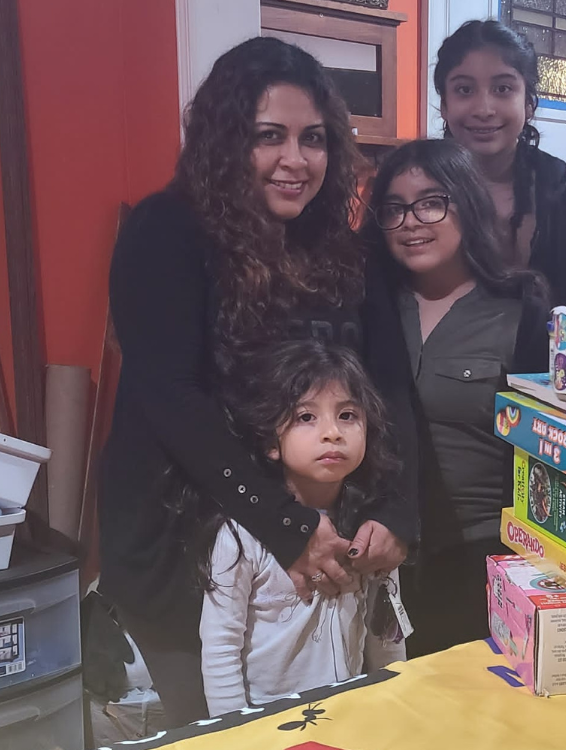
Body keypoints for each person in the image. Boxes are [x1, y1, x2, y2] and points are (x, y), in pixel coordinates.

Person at [99, 37, 417, 726]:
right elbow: (168, 396)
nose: (295, 160)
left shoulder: (342, 250)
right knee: (222, 729)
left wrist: (399, 511)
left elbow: (388, 389)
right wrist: (283, 522)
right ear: (225, 141)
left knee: (326, 723)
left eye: (313, 138)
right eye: (268, 136)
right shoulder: (167, 231)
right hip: (184, 546)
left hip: (318, 542)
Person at [359, 139, 548, 656]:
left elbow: (547, 443)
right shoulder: (364, 306)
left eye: (431, 203)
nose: (411, 222)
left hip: (483, 556)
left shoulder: (520, 310)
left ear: (467, 203)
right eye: (394, 209)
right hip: (375, 553)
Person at [192, 340, 405, 716]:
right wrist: (237, 733)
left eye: (348, 415)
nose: (332, 432)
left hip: (352, 715)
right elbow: (220, 646)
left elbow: (385, 629)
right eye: (306, 417)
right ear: (270, 442)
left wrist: (395, 704)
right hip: (270, 724)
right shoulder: (241, 536)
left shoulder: (371, 528)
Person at [434, 20, 566, 309]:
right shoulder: (411, 202)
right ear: (445, 105)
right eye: (465, 90)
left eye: (503, 88)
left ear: (529, 104)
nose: (484, 109)